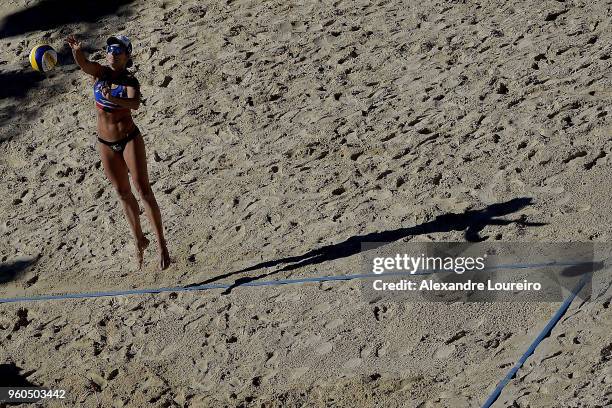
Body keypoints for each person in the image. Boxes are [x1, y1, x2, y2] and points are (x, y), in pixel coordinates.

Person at [65, 34, 171, 270]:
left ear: (127, 56)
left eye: (118, 50)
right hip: (105, 143)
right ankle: (139, 239)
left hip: (129, 139)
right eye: (110, 49)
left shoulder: (129, 80)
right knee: (123, 193)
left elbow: (134, 104)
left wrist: (112, 97)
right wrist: (76, 50)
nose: (112, 52)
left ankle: (161, 244)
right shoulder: (100, 73)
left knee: (143, 191)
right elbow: (84, 64)